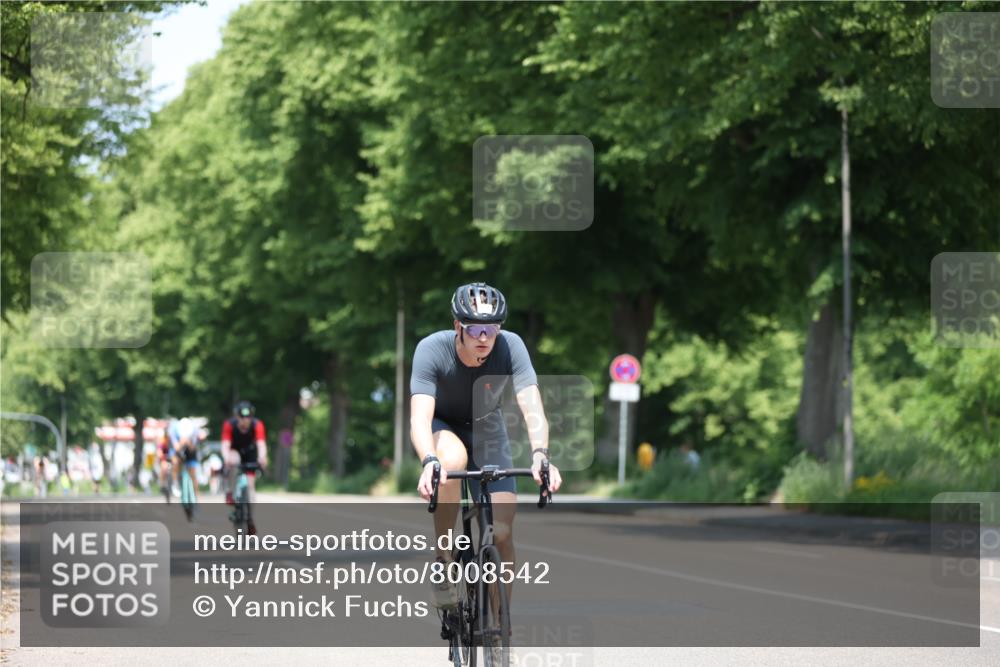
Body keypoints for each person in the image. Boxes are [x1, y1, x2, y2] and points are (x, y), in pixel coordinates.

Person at [411, 282, 562, 609]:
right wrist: (428, 460)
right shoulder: (431, 349)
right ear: (457, 327)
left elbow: (532, 408)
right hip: (444, 426)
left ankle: (498, 636)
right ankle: (445, 559)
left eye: (491, 329)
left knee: (503, 532)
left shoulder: (511, 347)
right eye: (475, 329)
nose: (484, 337)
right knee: (451, 460)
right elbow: (420, 417)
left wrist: (540, 455)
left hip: (487, 429)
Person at [221, 401, 268, 534]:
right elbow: (225, 445)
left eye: (248, 417)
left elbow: (261, 444)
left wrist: (262, 458)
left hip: (250, 453)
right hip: (234, 450)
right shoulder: (229, 425)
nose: (245, 420)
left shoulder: (257, 425)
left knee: (251, 487)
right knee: (233, 461)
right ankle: (231, 491)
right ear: (237, 416)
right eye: (242, 417)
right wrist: (226, 459)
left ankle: (250, 518)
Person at [169, 418, 202, 502]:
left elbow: (193, 449)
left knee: (192, 473)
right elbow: (176, 448)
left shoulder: (194, 431)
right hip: (178, 449)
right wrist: (182, 442)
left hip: (189, 451)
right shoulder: (174, 430)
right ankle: (175, 482)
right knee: (175, 462)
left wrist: (188, 442)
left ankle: (196, 496)